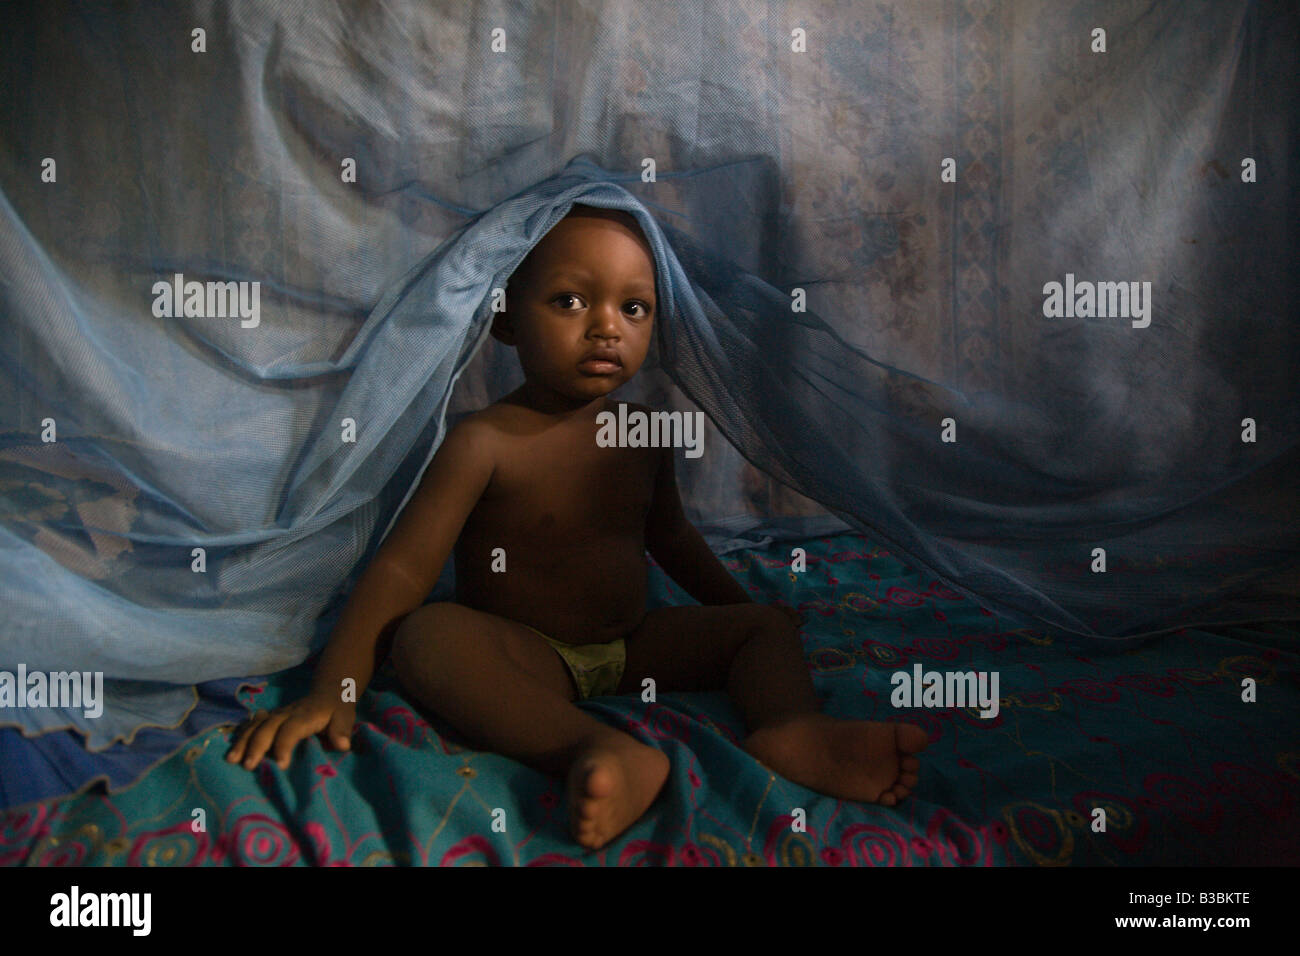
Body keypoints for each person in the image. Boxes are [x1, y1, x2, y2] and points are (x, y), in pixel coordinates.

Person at [227, 203, 928, 850]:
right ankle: (590, 748)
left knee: (766, 628)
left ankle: (791, 732)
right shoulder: (483, 442)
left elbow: (673, 540)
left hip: (633, 645)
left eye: (634, 307)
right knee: (427, 637)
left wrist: (737, 610)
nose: (606, 327)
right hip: (526, 653)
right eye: (569, 301)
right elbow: (405, 569)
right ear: (505, 319)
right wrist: (336, 689)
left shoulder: (646, 432)